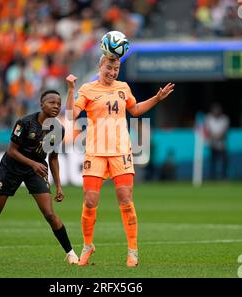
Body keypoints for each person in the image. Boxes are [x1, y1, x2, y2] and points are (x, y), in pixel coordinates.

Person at [65, 55, 174, 267]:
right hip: (95, 151)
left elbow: (135, 110)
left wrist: (157, 98)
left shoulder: (123, 87)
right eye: (109, 67)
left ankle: (133, 251)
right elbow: (71, 116)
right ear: (100, 66)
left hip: (120, 150)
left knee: (125, 198)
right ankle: (88, 246)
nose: (112, 72)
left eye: (116, 69)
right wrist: (70, 90)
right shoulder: (87, 89)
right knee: (89, 200)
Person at [0, 90, 79, 266]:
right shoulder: (25, 123)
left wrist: (59, 186)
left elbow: (53, 158)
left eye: (58, 104)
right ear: (41, 105)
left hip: (36, 171)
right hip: (12, 168)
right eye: (51, 103)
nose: (56, 106)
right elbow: (11, 151)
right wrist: (32, 164)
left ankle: (70, 253)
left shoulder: (58, 129)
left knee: (49, 214)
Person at [204, 103, 229, 180]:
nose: (216, 112)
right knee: (212, 162)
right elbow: (207, 130)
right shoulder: (208, 118)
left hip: (222, 144)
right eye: (215, 111)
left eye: (217, 111)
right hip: (212, 144)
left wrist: (218, 136)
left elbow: (224, 131)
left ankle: (223, 177)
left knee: (224, 161)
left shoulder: (225, 119)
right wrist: (213, 136)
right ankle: (212, 178)